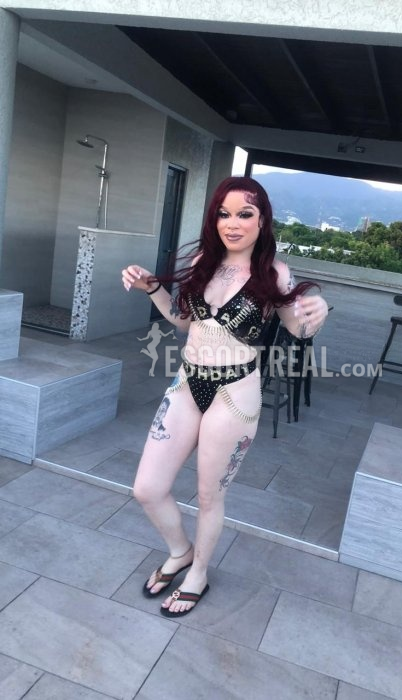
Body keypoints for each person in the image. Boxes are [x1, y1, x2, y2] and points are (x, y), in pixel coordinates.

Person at [121, 176, 328, 618]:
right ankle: (180, 551)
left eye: (244, 214)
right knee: (147, 489)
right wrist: (153, 288)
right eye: (224, 214)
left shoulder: (274, 274)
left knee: (209, 496)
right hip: (187, 382)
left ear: (262, 220)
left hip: (234, 392)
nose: (232, 224)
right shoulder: (204, 261)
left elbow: (299, 329)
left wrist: (318, 311)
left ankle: (198, 573)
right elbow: (183, 321)